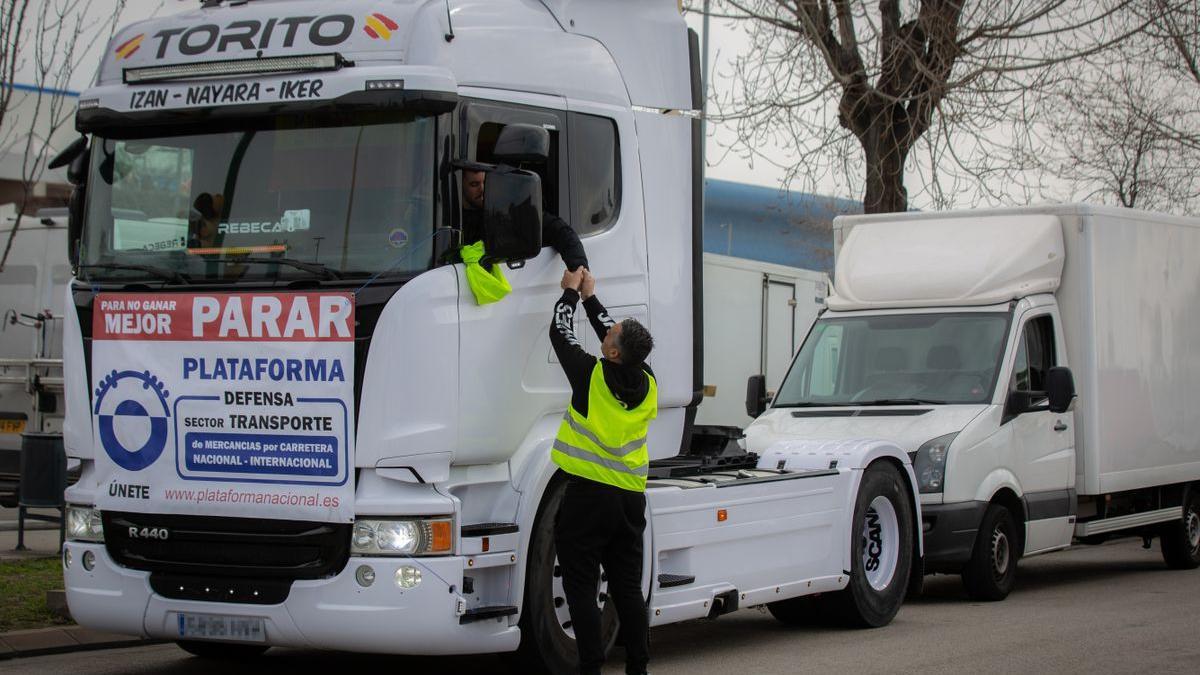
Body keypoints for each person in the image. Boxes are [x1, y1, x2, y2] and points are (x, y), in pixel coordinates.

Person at [549, 267, 655, 675]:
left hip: (589, 498)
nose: (608, 332)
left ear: (612, 352)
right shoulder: (648, 379)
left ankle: (591, 667)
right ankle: (638, 668)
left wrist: (571, 294)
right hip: (629, 500)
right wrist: (593, 299)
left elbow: (561, 333)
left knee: (580, 586)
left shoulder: (590, 376)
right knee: (627, 586)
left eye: (612, 334)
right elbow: (612, 336)